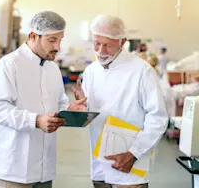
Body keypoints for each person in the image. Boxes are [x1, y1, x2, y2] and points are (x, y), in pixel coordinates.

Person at [0, 11, 87, 188]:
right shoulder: (8, 66)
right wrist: (36, 120)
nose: (57, 46)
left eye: (60, 40)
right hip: (13, 169)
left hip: (44, 168)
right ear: (33, 36)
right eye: (52, 40)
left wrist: (71, 108)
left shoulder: (52, 69)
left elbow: (59, 103)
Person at [72, 15, 168, 188]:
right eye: (96, 43)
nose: (101, 50)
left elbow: (158, 118)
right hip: (99, 167)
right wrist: (82, 107)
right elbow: (94, 114)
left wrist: (133, 153)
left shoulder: (142, 71)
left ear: (122, 42)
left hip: (130, 166)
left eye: (108, 45)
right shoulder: (91, 71)